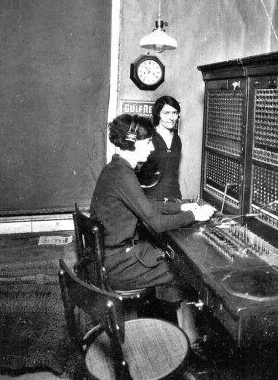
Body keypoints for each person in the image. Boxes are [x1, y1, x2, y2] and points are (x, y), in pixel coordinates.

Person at [90, 113, 215, 345]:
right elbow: (155, 222)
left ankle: (181, 335)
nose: (151, 148)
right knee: (185, 271)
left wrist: (182, 206)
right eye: (147, 142)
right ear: (131, 142)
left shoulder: (116, 169)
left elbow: (146, 206)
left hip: (109, 257)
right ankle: (189, 339)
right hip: (119, 264)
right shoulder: (123, 174)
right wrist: (194, 214)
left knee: (173, 261)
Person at [138, 95, 183, 201]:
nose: (171, 118)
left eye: (175, 113)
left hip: (173, 196)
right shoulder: (149, 137)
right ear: (158, 114)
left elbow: (173, 172)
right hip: (151, 198)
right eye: (166, 113)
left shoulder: (177, 139)